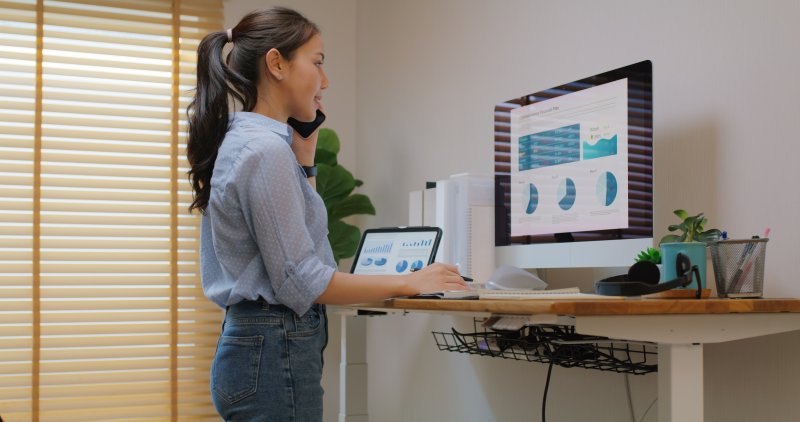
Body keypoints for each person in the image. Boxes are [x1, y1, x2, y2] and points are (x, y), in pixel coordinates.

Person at [186, 7, 468, 421]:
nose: (325, 80)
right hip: (273, 346)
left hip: (255, 348)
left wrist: (305, 160)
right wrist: (412, 281)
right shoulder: (263, 152)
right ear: (277, 64)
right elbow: (303, 279)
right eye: (317, 63)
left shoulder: (247, 141)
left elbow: (302, 250)